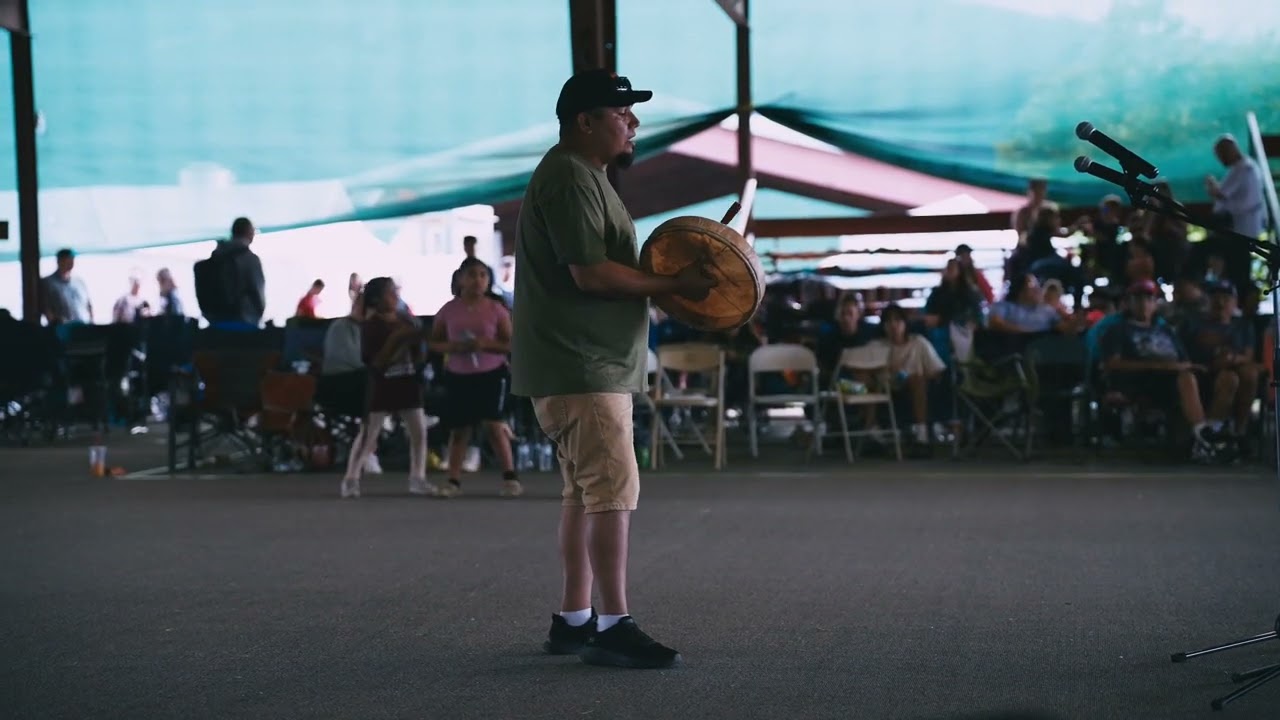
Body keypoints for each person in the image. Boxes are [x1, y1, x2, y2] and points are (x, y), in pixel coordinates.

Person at [511, 68, 715, 669]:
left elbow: (604, 266)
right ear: (585, 120)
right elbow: (591, 273)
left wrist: (668, 278)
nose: (633, 123)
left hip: (581, 365)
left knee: (586, 494)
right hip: (583, 366)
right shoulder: (572, 177)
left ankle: (575, 618)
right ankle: (613, 624)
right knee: (610, 495)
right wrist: (675, 282)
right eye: (621, 113)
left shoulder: (585, 175)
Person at [429, 257, 520, 498]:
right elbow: (435, 343)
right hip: (459, 374)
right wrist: (454, 347)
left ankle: (510, 478)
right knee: (460, 429)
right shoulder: (448, 310)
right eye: (471, 275)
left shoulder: (496, 309)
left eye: (482, 275)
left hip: (492, 373)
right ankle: (453, 480)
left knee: (494, 425)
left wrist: (485, 344)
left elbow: (510, 344)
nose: (477, 280)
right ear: (460, 279)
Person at [340, 276, 432, 499]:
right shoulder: (371, 326)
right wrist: (398, 340)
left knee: (419, 431)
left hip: (407, 381)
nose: (396, 296)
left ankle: (417, 478)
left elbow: (419, 353)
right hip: (382, 384)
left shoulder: (405, 319)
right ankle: (351, 478)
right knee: (369, 433)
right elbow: (376, 361)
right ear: (377, 299)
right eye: (390, 293)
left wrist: (416, 342)